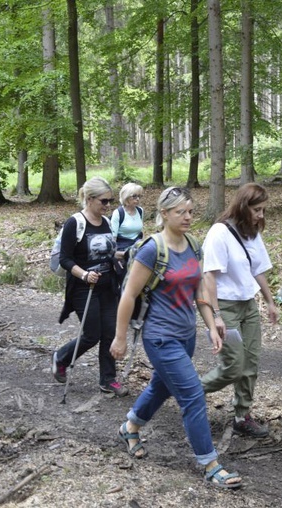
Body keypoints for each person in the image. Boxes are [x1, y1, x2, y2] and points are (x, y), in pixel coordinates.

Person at [109, 186, 242, 489]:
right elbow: (128, 295)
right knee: (193, 395)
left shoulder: (194, 245)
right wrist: (120, 338)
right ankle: (210, 463)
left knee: (161, 387)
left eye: (191, 211)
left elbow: (199, 292)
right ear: (164, 214)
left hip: (186, 336)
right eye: (180, 211)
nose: (187, 216)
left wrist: (211, 323)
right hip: (159, 337)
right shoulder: (152, 249)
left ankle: (130, 427)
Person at [200, 183, 278, 438]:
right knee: (233, 365)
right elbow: (209, 276)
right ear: (243, 207)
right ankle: (192, 391)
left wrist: (269, 302)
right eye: (257, 210)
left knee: (251, 363)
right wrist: (216, 315)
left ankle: (242, 415)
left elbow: (258, 270)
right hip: (225, 305)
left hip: (249, 306)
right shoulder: (219, 233)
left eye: (263, 210)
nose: (261, 215)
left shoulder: (252, 232)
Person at [52, 176, 128, 396]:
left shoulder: (105, 223)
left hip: (107, 285)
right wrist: (85, 275)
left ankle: (108, 379)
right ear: (90, 199)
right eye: (104, 201)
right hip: (83, 287)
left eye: (110, 201)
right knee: (92, 334)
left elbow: (109, 252)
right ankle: (61, 358)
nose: (108, 206)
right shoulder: (75, 223)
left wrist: (128, 253)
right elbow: (65, 259)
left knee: (110, 333)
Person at [111, 183, 144, 286]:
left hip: (137, 250)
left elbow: (139, 232)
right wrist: (115, 257)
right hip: (122, 252)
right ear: (126, 197)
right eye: (134, 196)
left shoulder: (140, 211)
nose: (137, 199)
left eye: (139, 196)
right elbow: (112, 238)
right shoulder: (118, 213)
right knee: (125, 283)